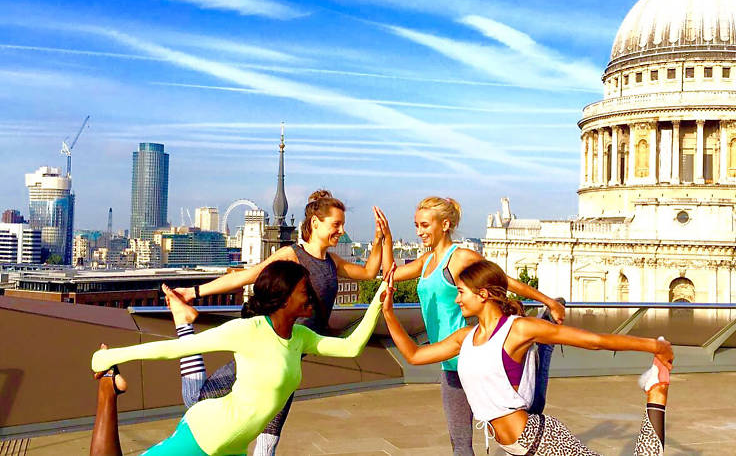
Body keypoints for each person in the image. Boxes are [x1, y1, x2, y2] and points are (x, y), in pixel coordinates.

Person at [169, 190, 390, 455]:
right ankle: (185, 322)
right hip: (264, 350)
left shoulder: (331, 261)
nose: (341, 231)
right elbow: (245, 277)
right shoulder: (292, 255)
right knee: (199, 400)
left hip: (291, 355)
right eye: (336, 224)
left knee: (270, 434)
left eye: (342, 225)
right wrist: (193, 293)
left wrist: (379, 240)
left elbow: (368, 272)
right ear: (316, 223)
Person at [90, 260, 389, 456]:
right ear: (284, 298)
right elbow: (172, 350)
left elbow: (351, 347)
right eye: (303, 291)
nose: (311, 295)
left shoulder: (300, 337)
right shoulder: (249, 330)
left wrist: (378, 299)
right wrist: (111, 357)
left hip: (234, 447)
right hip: (206, 435)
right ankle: (108, 388)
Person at [381, 259, 673, 455]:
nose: (457, 299)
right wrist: (389, 314)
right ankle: (656, 389)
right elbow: (415, 355)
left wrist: (653, 347)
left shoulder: (518, 330)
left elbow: (594, 341)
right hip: (515, 449)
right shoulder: (465, 337)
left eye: (460, 292)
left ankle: (657, 391)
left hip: (542, 442)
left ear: (482, 294)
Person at [382, 196, 566, 455]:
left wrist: (547, 301)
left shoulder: (459, 258)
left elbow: (504, 281)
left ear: (444, 224)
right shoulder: (425, 262)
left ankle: (542, 344)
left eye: (424, 225)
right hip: (449, 360)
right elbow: (388, 273)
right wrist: (386, 239)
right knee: (460, 443)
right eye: (416, 226)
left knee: (520, 427)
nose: (419, 231)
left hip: (474, 357)